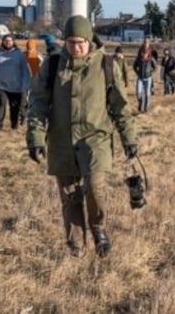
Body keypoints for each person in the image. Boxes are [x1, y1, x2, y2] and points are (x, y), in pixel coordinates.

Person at [26, 16, 138, 257]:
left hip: (95, 138)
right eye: (70, 42)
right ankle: (76, 246)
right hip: (62, 140)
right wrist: (35, 138)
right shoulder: (54, 65)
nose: (75, 47)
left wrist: (129, 138)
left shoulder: (106, 65)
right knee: (70, 196)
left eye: (80, 42)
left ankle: (98, 227)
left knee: (93, 186)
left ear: (89, 41)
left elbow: (120, 107)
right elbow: (37, 102)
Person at [0, 34, 31, 132]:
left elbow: (25, 70)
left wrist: (25, 85)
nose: (7, 42)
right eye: (5, 40)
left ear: (13, 42)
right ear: (2, 42)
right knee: (1, 104)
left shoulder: (19, 54)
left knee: (14, 107)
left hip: (15, 86)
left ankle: (14, 126)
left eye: (10, 41)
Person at [133, 45, 156, 112]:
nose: (143, 54)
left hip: (148, 78)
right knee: (138, 93)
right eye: (142, 53)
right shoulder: (139, 59)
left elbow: (155, 67)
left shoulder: (151, 59)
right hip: (140, 78)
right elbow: (134, 66)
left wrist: (151, 73)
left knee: (147, 93)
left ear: (148, 53)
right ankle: (140, 103)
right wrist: (137, 72)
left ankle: (146, 108)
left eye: (145, 53)